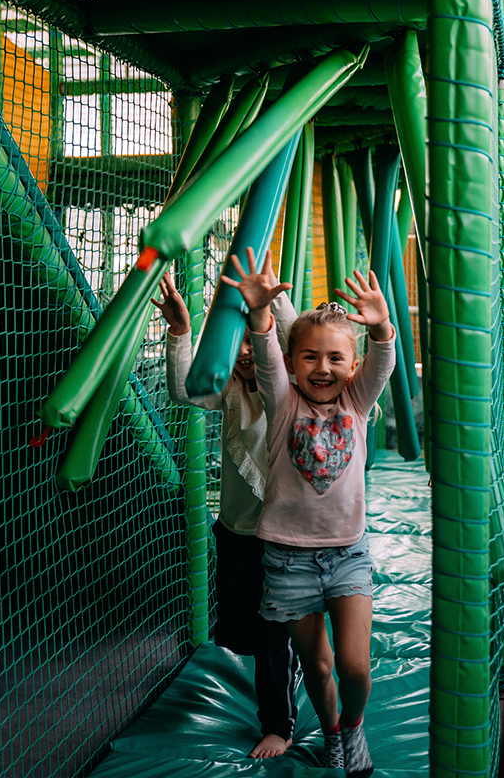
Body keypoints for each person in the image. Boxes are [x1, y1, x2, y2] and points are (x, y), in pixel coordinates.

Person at [221, 247, 396, 778]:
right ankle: (332, 732)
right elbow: (265, 354)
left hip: (346, 554)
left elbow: (383, 361)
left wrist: (381, 326)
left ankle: (352, 725)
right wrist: (259, 313)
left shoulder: (356, 404)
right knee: (318, 667)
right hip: (288, 559)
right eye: (310, 358)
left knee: (354, 666)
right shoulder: (282, 404)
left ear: (352, 366)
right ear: (292, 363)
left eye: (336, 358)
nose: (322, 368)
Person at [151, 266, 301, 760]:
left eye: (253, 342)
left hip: (283, 536)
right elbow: (184, 390)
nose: (245, 354)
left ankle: (278, 724)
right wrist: (180, 331)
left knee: (274, 635)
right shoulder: (231, 390)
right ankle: (286, 666)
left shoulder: (290, 390)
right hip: (237, 532)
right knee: (242, 631)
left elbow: (291, 339)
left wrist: (271, 301)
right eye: (235, 344)